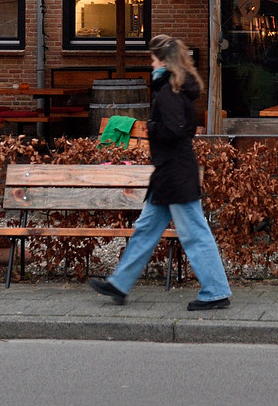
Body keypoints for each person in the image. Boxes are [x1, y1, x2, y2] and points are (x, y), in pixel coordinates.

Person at [89, 34, 233, 310]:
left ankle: (216, 291)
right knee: (146, 229)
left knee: (194, 232)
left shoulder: (168, 92)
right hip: (170, 173)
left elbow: (174, 130)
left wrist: (151, 127)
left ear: (164, 61)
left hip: (174, 173)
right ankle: (120, 284)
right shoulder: (175, 88)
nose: (151, 63)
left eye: (153, 59)